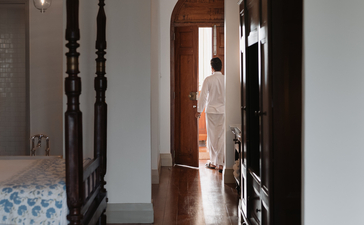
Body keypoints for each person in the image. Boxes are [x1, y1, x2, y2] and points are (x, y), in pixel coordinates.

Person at [195, 57, 225, 173]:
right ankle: (221, 164)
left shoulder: (208, 79)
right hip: (223, 111)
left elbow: (202, 97)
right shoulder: (225, 79)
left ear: (212, 67)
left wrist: (199, 110)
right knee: (221, 137)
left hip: (211, 111)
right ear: (221, 67)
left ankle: (213, 162)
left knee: (212, 137)